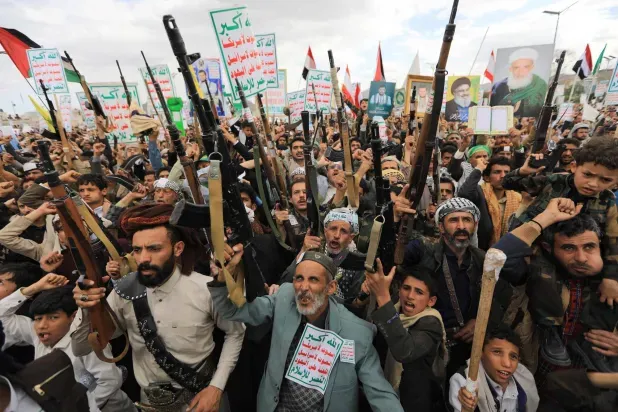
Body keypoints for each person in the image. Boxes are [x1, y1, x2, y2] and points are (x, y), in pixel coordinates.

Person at [71, 204, 245, 411]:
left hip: (201, 401)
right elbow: (81, 348)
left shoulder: (205, 289)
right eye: (137, 250)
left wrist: (216, 387)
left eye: (154, 248)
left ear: (177, 249)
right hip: (149, 404)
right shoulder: (124, 292)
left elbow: (235, 332)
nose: (143, 258)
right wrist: (88, 308)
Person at [209, 249, 405, 412]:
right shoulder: (284, 298)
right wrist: (222, 278)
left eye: (313, 280)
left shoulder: (356, 333)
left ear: (331, 287)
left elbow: (380, 393)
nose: (303, 287)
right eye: (299, 279)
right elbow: (232, 311)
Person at [396, 196, 512, 379]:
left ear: (475, 225)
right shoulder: (423, 250)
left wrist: (482, 321)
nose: (461, 226)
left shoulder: (483, 260)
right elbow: (393, 256)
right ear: (441, 227)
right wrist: (394, 219)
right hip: (426, 340)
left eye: (467, 220)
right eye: (453, 220)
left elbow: (503, 294)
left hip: (466, 346)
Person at [0, 274, 134, 411]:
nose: (42, 325)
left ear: (73, 317)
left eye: (53, 318)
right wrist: (34, 288)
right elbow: (1, 317)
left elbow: (110, 381)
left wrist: (75, 407)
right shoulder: (37, 334)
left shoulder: (84, 343)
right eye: (38, 319)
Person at [367, 260, 447, 411]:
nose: (410, 296)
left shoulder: (431, 323)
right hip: (383, 395)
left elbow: (404, 350)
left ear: (431, 301)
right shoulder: (394, 309)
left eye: (419, 292)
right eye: (406, 288)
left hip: (412, 403)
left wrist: (383, 297)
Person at [449, 326, 539, 412]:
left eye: (513, 356)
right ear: (480, 353)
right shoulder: (464, 381)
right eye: (497, 352)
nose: (507, 364)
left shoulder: (524, 376)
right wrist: (467, 409)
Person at [458, 156, 522, 250]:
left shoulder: (517, 198)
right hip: (481, 251)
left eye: (507, 172)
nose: (503, 176)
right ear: (487, 178)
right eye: (497, 172)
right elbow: (464, 194)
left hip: (509, 251)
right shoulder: (480, 193)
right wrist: (479, 169)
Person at [490, 47, 548, 117]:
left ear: (532, 67)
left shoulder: (540, 85)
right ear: (510, 69)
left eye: (526, 67)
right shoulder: (498, 87)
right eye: (516, 68)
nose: (521, 72)